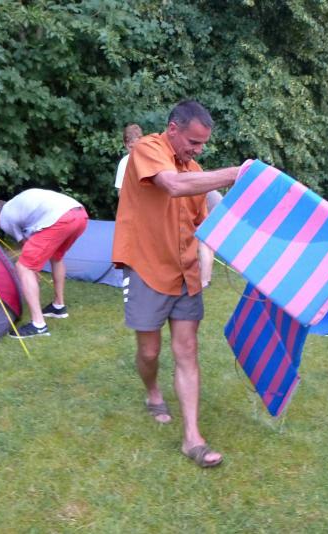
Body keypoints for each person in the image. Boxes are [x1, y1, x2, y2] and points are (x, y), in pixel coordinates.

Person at [112, 100, 239, 468]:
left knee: (187, 349)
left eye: (203, 144)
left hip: (185, 272)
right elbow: (171, 185)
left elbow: (206, 224)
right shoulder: (147, 149)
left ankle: (192, 438)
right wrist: (234, 173)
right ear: (172, 129)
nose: (198, 150)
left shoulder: (195, 171)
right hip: (147, 268)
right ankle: (152, 391)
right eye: (193, 142)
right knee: (150, 351)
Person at [0, 189, 88, 338]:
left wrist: (32, 270)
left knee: (23, 267)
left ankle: (38, 325)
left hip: (60, 218)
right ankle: (58, 306)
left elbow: (25, 243)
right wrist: (34, 268)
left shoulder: (5, 217)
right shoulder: (16, 205)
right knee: (56, 257)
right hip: (80, 215)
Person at [199, 190, 223, 287]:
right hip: (220, 220)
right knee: (209, 249)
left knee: (203, 247)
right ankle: (207, 278)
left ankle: (203, 281)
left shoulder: (202, 192)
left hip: (213, 219)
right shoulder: (212, 191)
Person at [114, 123, 144, 191]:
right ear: (125, 144)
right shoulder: (124, 163)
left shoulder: (149, 159)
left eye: (136, 146)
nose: (133, 150)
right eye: (131, 147)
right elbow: (120, 191)